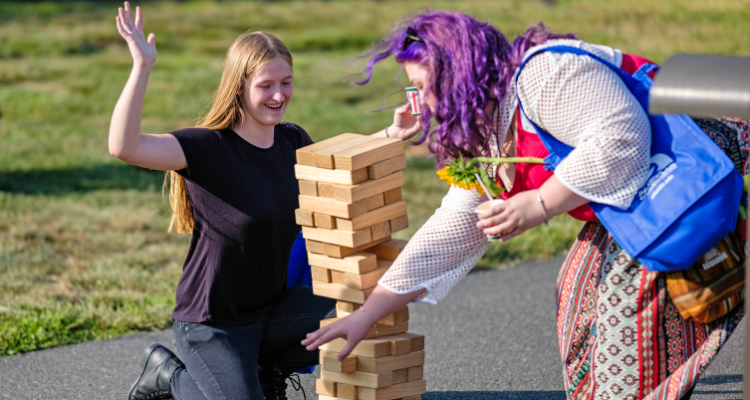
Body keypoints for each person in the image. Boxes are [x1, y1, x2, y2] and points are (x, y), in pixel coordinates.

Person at [302, 11, 747, 400]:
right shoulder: (486, 136)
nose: (421, 104)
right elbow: (451, 231)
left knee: (619, 318)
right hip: (638, 193)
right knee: (577, 305)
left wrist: (538, 203)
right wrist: (368, 314)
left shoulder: (544, 75)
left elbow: (623, 140)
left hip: (700, 167)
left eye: (423, 86)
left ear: (460, 73)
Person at [110, 3, 334, 399]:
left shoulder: (293, 140)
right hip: (213, 325)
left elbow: (341, 167)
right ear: (239, 86)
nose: (279, 95)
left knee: (355, 308)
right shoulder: (208, 148)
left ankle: (263, 372)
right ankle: (167, 377)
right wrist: (141, 67)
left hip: (271, 312)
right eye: (266, 85)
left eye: (287, 82)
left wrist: (392, 133)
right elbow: (124, 147)